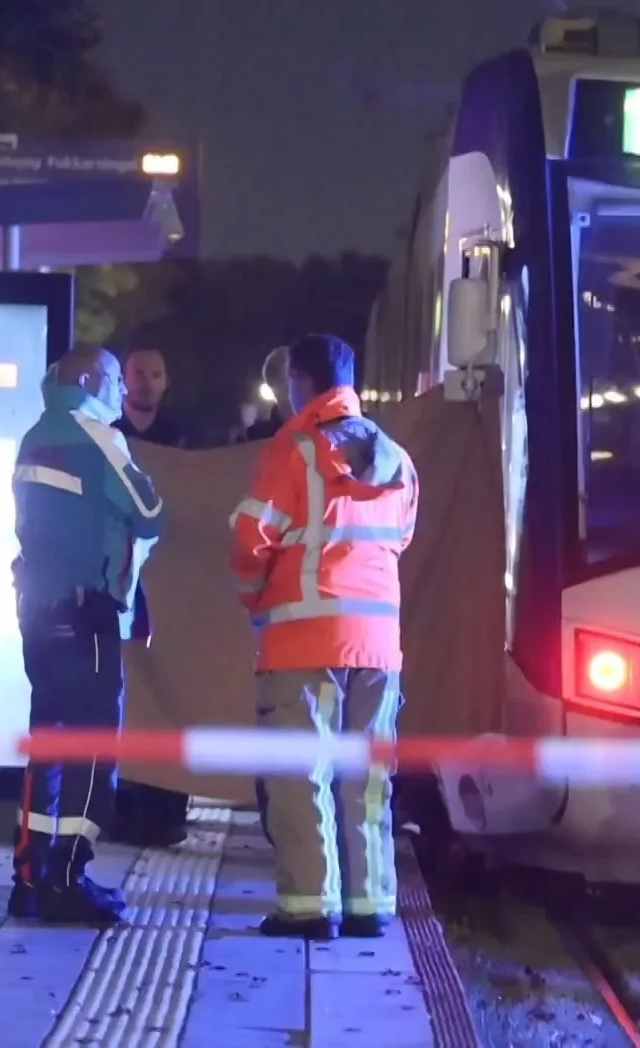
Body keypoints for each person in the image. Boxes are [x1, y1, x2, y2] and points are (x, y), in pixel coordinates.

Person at [231, 334, 418, 941]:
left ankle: (309, 907)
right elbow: (400, 541)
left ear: (301, 384)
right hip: (380, 647)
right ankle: (371, 905)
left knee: (300, 775)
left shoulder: (295, 453)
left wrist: (255, 596)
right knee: (366, 782)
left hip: (303, 643)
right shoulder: (397, 461)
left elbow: (249, 538)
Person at [9, 344, 167, 924]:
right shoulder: (99, 436)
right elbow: (151, 511)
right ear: (88, 380)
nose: (122, 394)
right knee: (93, 748)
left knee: (47, 744)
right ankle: (69, 879)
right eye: (113, 381)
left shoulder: (34, 436)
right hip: (88, 613)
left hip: (38, 614)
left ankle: (30, 876)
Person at [106, 345, 194, 850]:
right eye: (137, 373)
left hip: (175, 594)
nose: (145, 383)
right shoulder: (107, 436)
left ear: (165, 382)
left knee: (170, 693)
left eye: (154, 374)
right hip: (123, 588)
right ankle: (123, 806)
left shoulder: (183, 441)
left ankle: (166, 809)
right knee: (125, 693)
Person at [115, 346, 191, 448]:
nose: (148, 384)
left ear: (167, 381)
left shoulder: (175, 433)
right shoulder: (105, 424)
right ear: (122, 377)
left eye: (156, 375)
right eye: (139, 374)